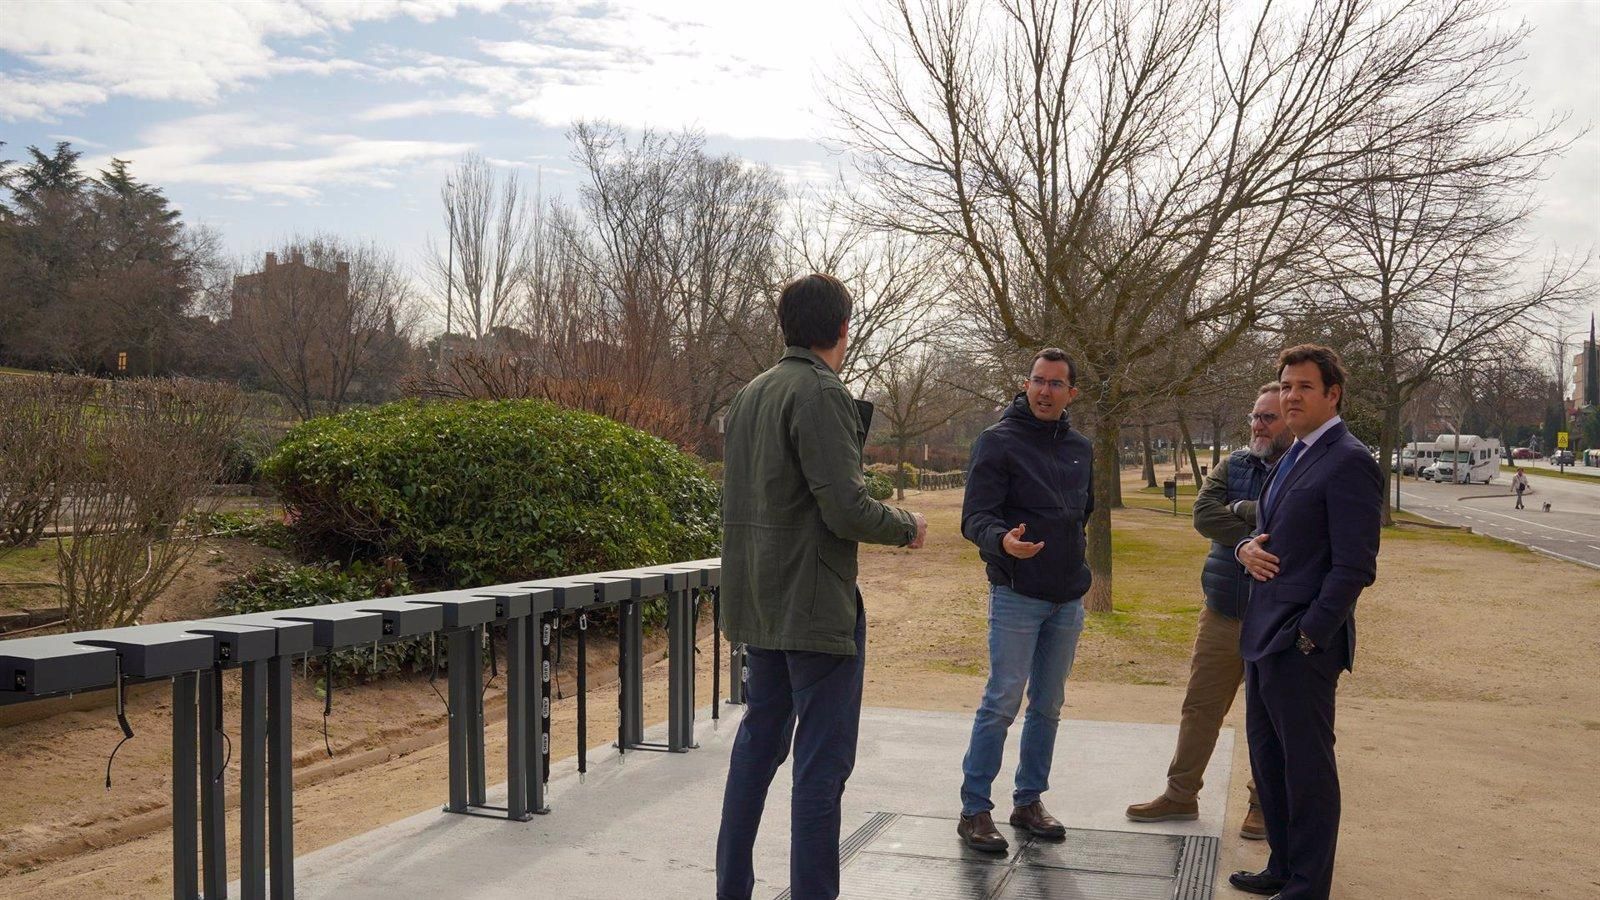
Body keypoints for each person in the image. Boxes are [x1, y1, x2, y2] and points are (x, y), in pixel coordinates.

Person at [715, 273, 928, 900]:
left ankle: (733, 889)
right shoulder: (821, 391)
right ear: (843, 328)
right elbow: (845, 507)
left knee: (757, 748)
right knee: (820, 767)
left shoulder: (751, 393)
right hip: (813, 609)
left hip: (760, 601)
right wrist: (907, 526)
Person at [1231, 345, 1382, 900]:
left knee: (1307, 768)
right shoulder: (1292, 456)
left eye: (1304, 387)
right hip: (1261, 635)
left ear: (1332, 394)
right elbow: (1269, 532)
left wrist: (1310, 634)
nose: (1291, 396)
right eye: (1286, 385)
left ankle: (1307, 885)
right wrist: (1245, 546)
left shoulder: (1349, 460)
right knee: (1269, 761)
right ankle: (1282, 865)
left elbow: (1355, 566)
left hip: (1301, 644)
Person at [1126, 382, 1292, 840]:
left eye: (1268, 418)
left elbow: (1291, 522)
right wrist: (1243, 538)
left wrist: (1240, 508)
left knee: (1269, 716)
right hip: (1222, 611)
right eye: (1254, 416)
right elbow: (1202, 514)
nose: (1258, 425)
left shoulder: (1303, 466)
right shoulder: (1234, 463)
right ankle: (1180, 794)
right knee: (1200, 707)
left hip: (1275, 618)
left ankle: (1262, 805)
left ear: (1290, 423)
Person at [955, 348, 1094, 853]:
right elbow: (975, 518)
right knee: (1002, 701)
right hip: (1016, 593)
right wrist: (1004, 543)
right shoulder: (997, 442)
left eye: (1056, 383)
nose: (1044, 391)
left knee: (1048, 705)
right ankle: (974, 809)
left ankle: (1028, 800)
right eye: (1038, 381)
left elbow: (1084, 512)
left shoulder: (1081, 447)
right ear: (1026, 384)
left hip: (1067, 598)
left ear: (1071, 392)